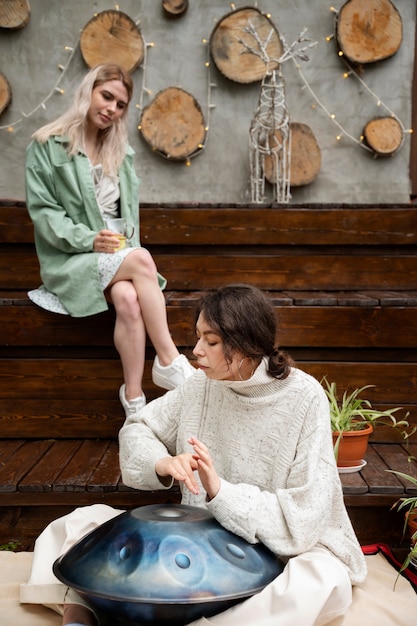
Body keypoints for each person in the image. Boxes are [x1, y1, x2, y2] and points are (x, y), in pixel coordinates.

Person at [20, 284, 367, 626]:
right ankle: (79, 614)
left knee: (322, 579)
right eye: (198, 336)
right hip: (200, 539)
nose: (196, 351)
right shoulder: (200, 385)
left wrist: (221, 492)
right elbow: (139, 426)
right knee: (78, 523)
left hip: (278, 548)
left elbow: (306, 515)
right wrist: (163, 463)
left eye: (211, 341)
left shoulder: (304, 397)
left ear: (247, 344)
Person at [25, 63, 195, 417]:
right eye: (107, 97)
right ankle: (168, 359)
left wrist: (121, 245)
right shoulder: (46, 145)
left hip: (114, 256)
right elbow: (44, 213)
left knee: (128, 297)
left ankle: (134, 401)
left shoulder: (122, 153)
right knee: (143, 260)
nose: (112, 109)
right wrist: (90, 239)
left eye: (120, 105)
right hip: (70, 257)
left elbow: (128, 218)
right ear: (88, 91)